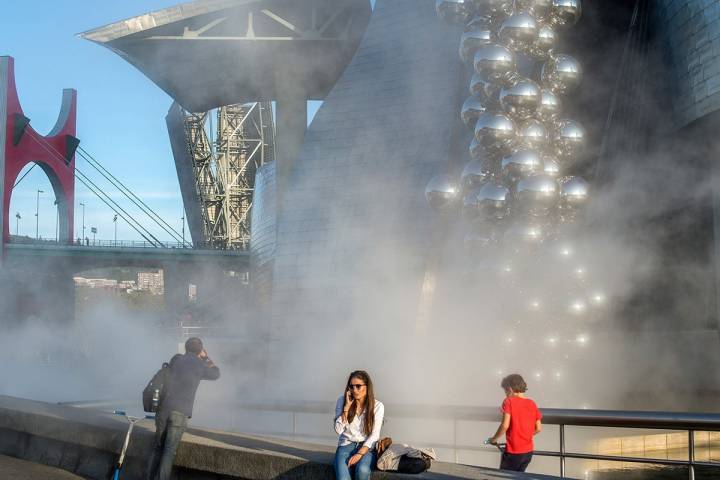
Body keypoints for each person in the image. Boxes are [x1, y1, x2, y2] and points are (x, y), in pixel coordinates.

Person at [145, 337, 220, 480]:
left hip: (163, 410)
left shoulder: (176, 360)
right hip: (180, 412)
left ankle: (148, 477)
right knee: (168, 451)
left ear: (186, 348)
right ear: (200, 351)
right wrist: (206, 357)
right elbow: (216, 373)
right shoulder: (199, 365)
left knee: (157, 447)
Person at [333, 370, 384, 480]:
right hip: (345, 446)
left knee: (362, 470)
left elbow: (374, 436)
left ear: (367, 387)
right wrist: (346, 408)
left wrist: (359, 454)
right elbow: (338, 430)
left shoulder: (378, 406)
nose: (354, 390)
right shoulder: (342, 401)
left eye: (358, 386)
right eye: (351, 386)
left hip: (366, 447)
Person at [487, 374, 542, 473]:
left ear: (510, 389)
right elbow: (538, 428)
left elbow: (504, 426)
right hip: (528, 452)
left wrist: (493, 439)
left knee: (503, 476)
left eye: (505, 391)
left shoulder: (508, 402)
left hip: (514, 452)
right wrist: (525, 435)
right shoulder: (532, 403)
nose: (505, 394)